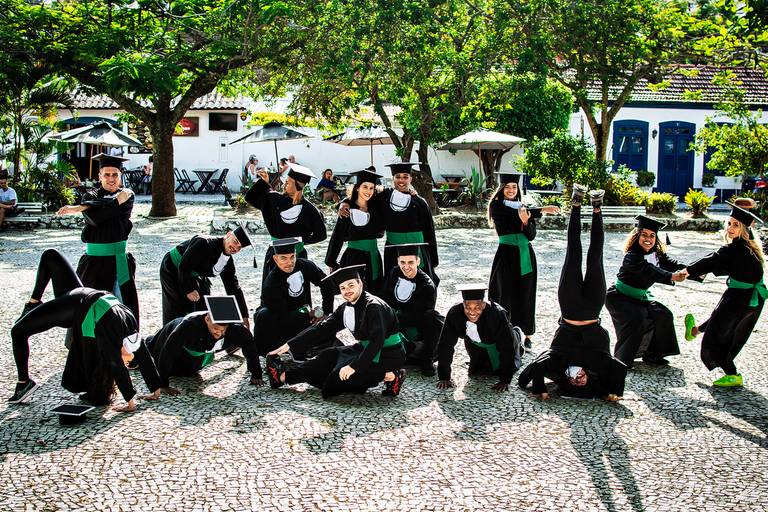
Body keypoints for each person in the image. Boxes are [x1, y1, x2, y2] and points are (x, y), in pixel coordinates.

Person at [9, 249, 173, 412]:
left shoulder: (117, 336)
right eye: (128, 361)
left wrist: (132, 402)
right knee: (50, 255)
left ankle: (24, 384)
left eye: (127, 363)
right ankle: (34, 302)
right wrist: (156, 389)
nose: (127, 363)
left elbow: (117, 366)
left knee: (18, 331)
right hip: (82, 295)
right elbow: (143, 355)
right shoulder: (128, 332)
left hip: (75, 307)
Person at [518, 185, 627, 401]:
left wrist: (540, 389)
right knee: (595, 257)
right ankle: (597, 208)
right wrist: (612, 393)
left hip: (569, 305)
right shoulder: (597, 364)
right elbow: (619, 369)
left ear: (566, 380)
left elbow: (535, 368)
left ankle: (576, 204)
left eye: (574, 381)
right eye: (581, 382)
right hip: (593, 308)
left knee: (573, 253)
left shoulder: (559, 362)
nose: (578, 379)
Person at [265, 265, 407, 399]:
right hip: (363, 348)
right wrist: (288, 346)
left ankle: (392, 375)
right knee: (327, 357)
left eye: (351, 285)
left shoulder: (374, 307)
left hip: (387, 354)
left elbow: (377, 342)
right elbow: (320, 329)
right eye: (343, 288)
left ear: (360, 284)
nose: (347, 291)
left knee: (332, 385)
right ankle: (282, 377)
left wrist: (353, 367)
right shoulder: (345, 307)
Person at [683, 204, 765, 388]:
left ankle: (733, 374)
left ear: (743, 229)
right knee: (724, 325)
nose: (730, 228)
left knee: (716, 337)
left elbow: (712, 261)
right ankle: (694, 331)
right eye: (729, 223)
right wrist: (706, 271)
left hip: (739, 298)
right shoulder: (751, 249)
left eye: (736, 224)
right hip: (754, 299)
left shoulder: (732, 250)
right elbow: (724, 265)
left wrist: (687, 271)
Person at [57, 154, 140, 325]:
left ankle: (122, 343)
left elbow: (104, 214)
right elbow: (95, 219)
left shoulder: (127, 194)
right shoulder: (89, 196)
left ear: (120, 175)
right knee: (89, 304)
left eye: (115, 175)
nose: (111, 179)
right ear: (99, 176)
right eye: (107, 174)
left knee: (120, 305)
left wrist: (80, 208)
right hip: (94, 262)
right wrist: (89, 205)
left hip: (118, 260)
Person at [487, 172, 560, 351]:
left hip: (525, 254)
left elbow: (531, 235)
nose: (511, 190)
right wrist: (542, 210)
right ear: (501, 189)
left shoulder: (523, 207)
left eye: (514, 187)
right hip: (506, 254)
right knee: (505, 293)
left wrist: (527, 222)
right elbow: (512, 216)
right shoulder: (497, 207)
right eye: (507, 187)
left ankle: (526, 334)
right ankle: (504, 330)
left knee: (526, 294)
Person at [606, 216, 691, 368]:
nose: (648, 239)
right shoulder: (632, 256)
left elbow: (671, 264)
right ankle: (622, 360)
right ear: (637, 236)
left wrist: (693, 271)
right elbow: (649, 271)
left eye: (652, 236)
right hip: (620, 298)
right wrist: (671, 276)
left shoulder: (656, 254)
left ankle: (653, 355)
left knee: (663, 314)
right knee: (637, 317)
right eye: (644, 235)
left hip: (639, 297)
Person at [146, 301, 264, 388]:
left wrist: (256, 374)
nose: (219, 332)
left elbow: (250, 345)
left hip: (202, 349)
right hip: (171, 337)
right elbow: (168, 351)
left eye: (223, 330)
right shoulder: (188, 326)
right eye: (216, 328)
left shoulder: (234, 329)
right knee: (172, 369)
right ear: (207, 319)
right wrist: (163, 384)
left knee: (190, 373)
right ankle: (144, 344)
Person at [252, 237, 336, 359]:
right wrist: (308, 314)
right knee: (265, 315)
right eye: (284, 258)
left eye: (292, 256)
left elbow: (326, 283)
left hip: (302, 314)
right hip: (280, 321)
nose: (289, 262)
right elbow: (283, 319)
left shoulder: (305, 265)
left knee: (329, 328)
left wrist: (326, 312)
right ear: (275, 259)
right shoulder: (271, 284)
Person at [244, 164, 327, 283]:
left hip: (298, 256)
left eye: (288, 182)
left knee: (297, 288)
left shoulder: (311, 210)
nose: (284, 184)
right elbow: (250, 197)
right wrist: (264, 182)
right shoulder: (274, 199)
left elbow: (321, 234)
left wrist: (301, 240)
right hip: (276, 255)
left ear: (298, 186)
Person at [435, 284, 523, 392]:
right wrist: (444, 377)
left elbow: (506, 347)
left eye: (477, 307)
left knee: (499, 370)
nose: (472, 312)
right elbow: (446, 344)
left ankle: (518, 334)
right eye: (468, 307)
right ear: (463, 304)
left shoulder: (497, 314)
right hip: (475, 343)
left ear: (483, 304)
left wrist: (505, 380)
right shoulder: (455, 314)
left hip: (501, 341)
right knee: (479, 370)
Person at [159, 227, 252, 326]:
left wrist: (243, 315)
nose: (235, 248)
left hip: (194, 274)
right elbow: (184, 266)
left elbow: (233, 287)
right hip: (173, 267)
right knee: (177, 308)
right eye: (235, 241)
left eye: (239, 247)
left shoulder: (228, 262)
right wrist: (188, 289)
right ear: (228, 235)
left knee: (203, 307)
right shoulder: (204, 243)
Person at [380, 243, 443, 376]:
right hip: (396, 323)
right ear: (398, 261)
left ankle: (427, 359)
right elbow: (386, 297)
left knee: (433, 317)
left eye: (410, 262)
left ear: (418, 261)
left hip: (417, 327)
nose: (406, 267)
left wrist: (396, 317)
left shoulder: (427, 285)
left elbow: (420, 315)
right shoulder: (394, 272)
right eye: (402, 262)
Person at [378, 162, 440, 286]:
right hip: (393, 251)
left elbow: (429, 232)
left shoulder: (420, 202)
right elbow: (362, 196)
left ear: (410, 179)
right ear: (393, 178)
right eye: (398, 177)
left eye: (405, 177)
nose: (401, 180)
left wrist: (433, 260)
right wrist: (345, 203)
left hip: (417, 251)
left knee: (420, 285)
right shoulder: (384, 198)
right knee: (393, 285)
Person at [325, 168, 385, 293]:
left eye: (371, 188)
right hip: (354, 257)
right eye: (365, 187)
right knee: (355, 292)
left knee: (375, 290)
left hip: (373, 256)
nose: (368, 191)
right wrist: (331, 261)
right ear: (357, 188)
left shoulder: (376, 208)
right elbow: (337, 236)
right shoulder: (347, 209)